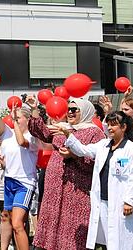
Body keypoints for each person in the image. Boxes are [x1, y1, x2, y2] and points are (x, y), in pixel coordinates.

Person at [53, 111, 133, 250]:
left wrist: (129, 201)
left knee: (123, 239)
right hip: (102, 200)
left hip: (121, 201)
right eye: (109, 125)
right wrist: (67, 134)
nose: (110, 128)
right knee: (109, 239)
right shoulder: (103, 145)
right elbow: (82, 150)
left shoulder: (132, 149)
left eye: (114, 125)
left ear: (123, 127)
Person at [28, 97, 105, 250]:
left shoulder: (95, 133)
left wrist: (73, 155)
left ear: (85, 112)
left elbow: (96, 161)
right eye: (68, 109)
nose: (69, 112)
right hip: (54, 186)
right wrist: (34, 109)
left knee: (71, 231)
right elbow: (40, 132)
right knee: (51, 227)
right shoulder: (63, 127)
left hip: (77, 189)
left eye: (74, 110)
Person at [0, 89, 38, 250]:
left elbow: (21, 142)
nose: (14, 119)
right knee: (7, 218)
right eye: (14, 118)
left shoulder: (33, 137)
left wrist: (15, 121)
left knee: (17, 223)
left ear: (27, 119)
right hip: (9, 180)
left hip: (24, 183)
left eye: (18, 117)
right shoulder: (6, 134)